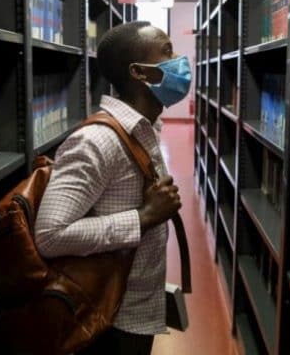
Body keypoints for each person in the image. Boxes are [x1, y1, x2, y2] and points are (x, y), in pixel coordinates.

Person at [34, 21, 192, 355]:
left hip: (136, 309)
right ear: (139, 72)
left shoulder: (144, 130)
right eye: (167, 52)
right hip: (108, 320)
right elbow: (49, 234)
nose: (180, 61)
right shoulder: (96, 141)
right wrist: (143, 217)